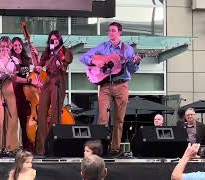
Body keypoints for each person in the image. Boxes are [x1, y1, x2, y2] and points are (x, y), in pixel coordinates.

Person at [80, 22, 140, 156]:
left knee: (119, 118)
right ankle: (100, 147)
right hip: (105, 85)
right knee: (102, 117)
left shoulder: (128, 50)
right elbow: (83, 57)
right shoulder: (103, 47)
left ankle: (115, 149)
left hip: (121, 84)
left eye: (113, 30)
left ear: (120, 33)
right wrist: (96, 61)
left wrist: (135, 63)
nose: (111, 33)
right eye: (109, 31)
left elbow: (132, 69)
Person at [34, 30, 73, 156]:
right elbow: (40, 64)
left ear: (60, 40)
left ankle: (53, 146)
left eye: (56, 39)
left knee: (55, 114)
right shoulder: (48, 52)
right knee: (41, 114)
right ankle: (43, 146)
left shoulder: (65, 51)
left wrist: (60, 63)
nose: (54, 41)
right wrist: (39, 67)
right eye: (52, 39)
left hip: (58, 81)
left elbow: (65, 65)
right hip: (48, 81)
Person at [11, 37, 40, 153]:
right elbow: (13, 78)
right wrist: (29, 81)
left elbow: (37, 69)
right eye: (15, 45)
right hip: (15, 92)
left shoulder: (27, 59)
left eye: (19, 45)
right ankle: (13, 147)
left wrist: (36, 55)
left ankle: (29, 147)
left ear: (22, 46)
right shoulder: (10, 60)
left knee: (26, 121)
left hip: (27, 93)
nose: (17, 47)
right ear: (12, 47)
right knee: (14, 122)